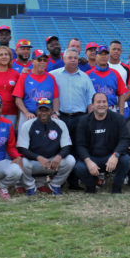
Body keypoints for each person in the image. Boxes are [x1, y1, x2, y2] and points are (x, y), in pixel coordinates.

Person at [49, 47, 95, 189]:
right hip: (60, 117)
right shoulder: (53, 75)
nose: (73, 60)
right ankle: (59, 181)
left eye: (75, 58)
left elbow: (90, 101)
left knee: (77, 149)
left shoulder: (85, 77)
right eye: (70, 57)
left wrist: (90, 119)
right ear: (64, 59)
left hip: (80, 118)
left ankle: (74, 182)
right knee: (59, 149)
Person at [74, 92, 130, 194]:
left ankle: (117, 188)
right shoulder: (84, 121)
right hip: (93, 157)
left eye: (104, 102)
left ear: (108, 104)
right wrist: (88, 162)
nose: (101, 104)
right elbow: (80, 145)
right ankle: (91, 187)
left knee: (125, 160)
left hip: (110, 156)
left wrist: (115, 155)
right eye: (98, 102)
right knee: (79, 167)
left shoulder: (118, 118)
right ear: (92, 105)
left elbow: (125, 139)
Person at [17, 97, 75, 196]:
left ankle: (55, 184)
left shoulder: (60, 124)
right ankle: (30, 186)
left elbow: (67, 146)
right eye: (40, 110)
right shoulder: (27, 125)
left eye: (46, 110)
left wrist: (59, 156)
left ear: (52, 111)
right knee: (22, 162)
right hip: (35, 162)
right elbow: (22, 148)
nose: (43, 113)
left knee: (70, 160)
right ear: (36, 111)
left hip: (53, 162)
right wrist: (38, 158)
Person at [13, 49, 60, 130]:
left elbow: (55, 98)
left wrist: (55, 113)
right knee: (24, 141)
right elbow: (18, 99)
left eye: (45, 60)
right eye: (39, 60)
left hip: (46, 116)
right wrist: (26, 112)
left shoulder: (51, 77)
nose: (42, 62)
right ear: (32, 61)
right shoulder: (25, 76)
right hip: (29, 115)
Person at [87, 45, 129, 115]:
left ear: (108, 56)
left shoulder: (115, 73)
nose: (103, 57)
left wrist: (121, 113)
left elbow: (121, 94)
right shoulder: (88, 74)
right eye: (100, 54)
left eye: (106, 54)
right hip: (94, 111)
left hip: (111, 110)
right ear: (96, 56)